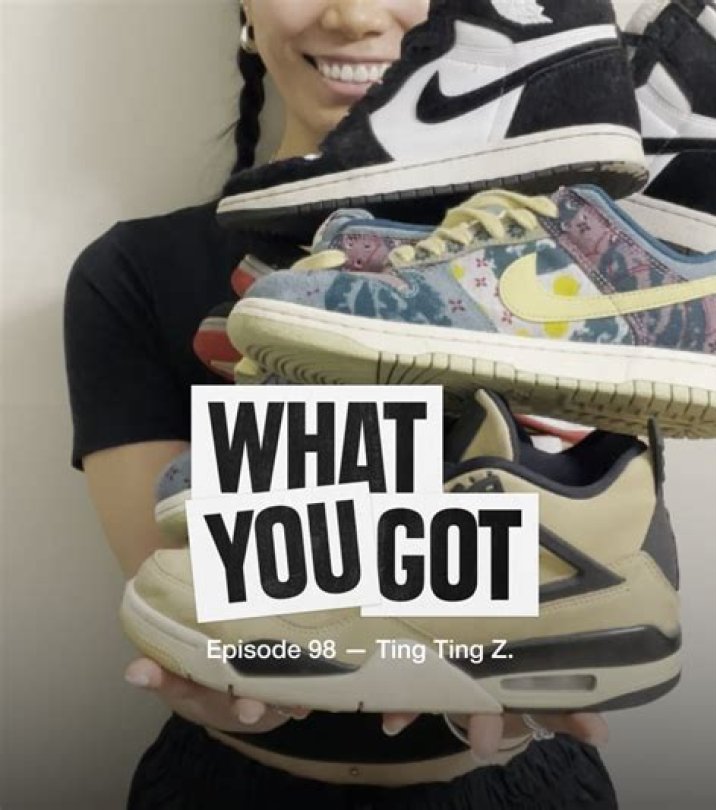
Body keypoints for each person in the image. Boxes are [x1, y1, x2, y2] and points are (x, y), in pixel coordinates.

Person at [64, 1, 618, 807]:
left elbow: (592, 557)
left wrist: (529, 659)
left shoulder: (567, 273)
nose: (355, 15)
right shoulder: (133, 272)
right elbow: (185, 601)